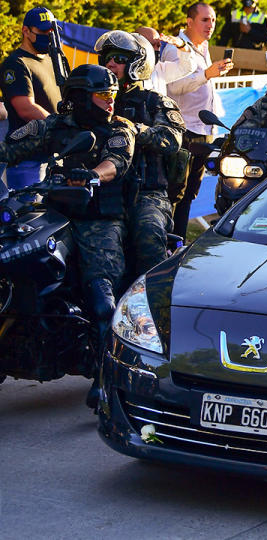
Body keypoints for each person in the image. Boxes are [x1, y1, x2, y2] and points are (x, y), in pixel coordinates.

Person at [0, 65, 136, 406]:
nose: (110, 101)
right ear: (79, 97)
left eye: (113, 95)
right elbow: (12, 147)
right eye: (103, 95)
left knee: (102, 299)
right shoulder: (55, 126)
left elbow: (117, 162)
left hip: (99, 221)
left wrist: (91, 175)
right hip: (55, 212)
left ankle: (106, 382)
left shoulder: (119, 129)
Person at [95, 30, 185, 277]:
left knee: (148, 234)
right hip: (102, 188)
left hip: (147, 193)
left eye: (118, 58)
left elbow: (172, 139)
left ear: (138, 62)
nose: (110, 63)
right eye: (107, 58)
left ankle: (152, 296)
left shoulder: (154, 102)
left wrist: (134, 129)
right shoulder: (93, 100)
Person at [164, 2, 234, 237]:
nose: (211, 25)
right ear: (189, 22)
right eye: (205, 20)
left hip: (203, 129)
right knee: (176, 194)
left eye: (213, 20)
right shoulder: (176, 48)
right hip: (184, 131)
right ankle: (167, 245)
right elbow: (173, 86)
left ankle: (177, 243)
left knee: (190, 193)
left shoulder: (203, 47)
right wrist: (206, 74)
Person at [0, 7, 63, 190]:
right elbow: (26, 108)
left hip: (53, 154)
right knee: (29, 214)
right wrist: (61, 126)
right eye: (43, 31)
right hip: (27, 158)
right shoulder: (16, 63)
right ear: (25, 31)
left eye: (51, 31)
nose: (48, 36)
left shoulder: (52, 60)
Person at [134, 26, 196, 96]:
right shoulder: (126, 69)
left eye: (158, 45)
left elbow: (188, 67)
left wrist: (181, 44)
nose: (156, 49)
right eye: (151, 45)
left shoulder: (160, 69)